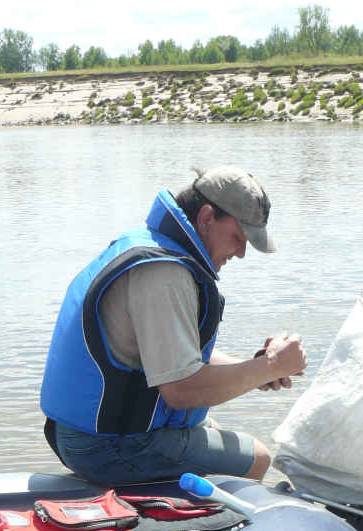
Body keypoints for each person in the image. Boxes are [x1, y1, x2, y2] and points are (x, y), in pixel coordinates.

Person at [40, 165, 306, 484]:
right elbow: (181, 391)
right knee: (257, 459)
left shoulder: (150, 246)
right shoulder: (165, 274)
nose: (241, 253)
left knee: (217, 433)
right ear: (206, 218)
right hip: (107, 446)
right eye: (238, 237)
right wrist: (272, 366)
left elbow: (179, 357)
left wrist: (257, 367)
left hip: (87, 435)